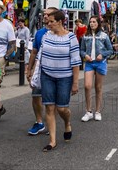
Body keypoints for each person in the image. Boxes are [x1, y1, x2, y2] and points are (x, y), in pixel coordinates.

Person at [39, 10, 81, 151]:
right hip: (47, 76)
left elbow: (75, 62)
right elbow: (40, 55)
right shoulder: (46, 36)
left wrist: (75, 83)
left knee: (61, 108)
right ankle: (52, 141)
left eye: (51, 21)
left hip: (65, 77)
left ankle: (67, 123)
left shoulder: (71, 38)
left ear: (60, 21)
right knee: (49, 107)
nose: (48, 24)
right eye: (48, 22)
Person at [26, 7, 58, 136]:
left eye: (48, 14)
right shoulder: (39, 33)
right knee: (36, 96)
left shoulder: (61, 33)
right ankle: (39, 122)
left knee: (51, 98)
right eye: (44, 14)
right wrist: (29, 69)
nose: (45, 16)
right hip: (39, 70)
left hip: (54, 70)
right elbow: (34, 52)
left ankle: (51, 122)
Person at [80, 16, 113, 122]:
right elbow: (81, 50)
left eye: (94, 22)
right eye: (90, 22)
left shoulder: (104, 36)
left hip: (100, 63)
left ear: (98, 23)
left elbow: (110, 50)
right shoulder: (86, 36)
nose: (92, 24)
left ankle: (98, 111)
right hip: (89, 63)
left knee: (98, 88)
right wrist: (85, 55)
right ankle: (88, 111)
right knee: (87, 86)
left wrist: (102, 55)